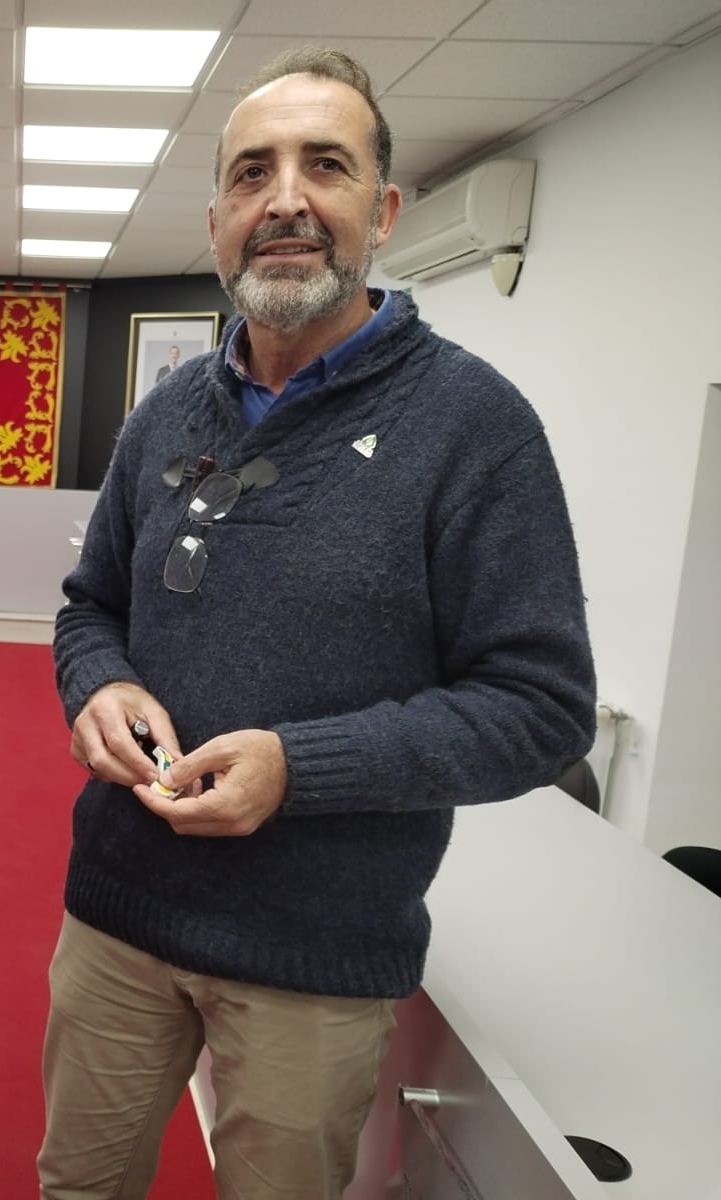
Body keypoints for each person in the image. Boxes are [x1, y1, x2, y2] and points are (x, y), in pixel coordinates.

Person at [38, 47, 595, 1200]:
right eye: (252, 173)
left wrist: (300, 767)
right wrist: (95, 684)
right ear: (216, 219)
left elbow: (541, 712)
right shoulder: (168, 411)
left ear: (380, 210)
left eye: (324, 166)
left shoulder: (475, 428)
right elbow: (91, 605)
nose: (284, 197)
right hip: (117, 917)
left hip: (314, 959)